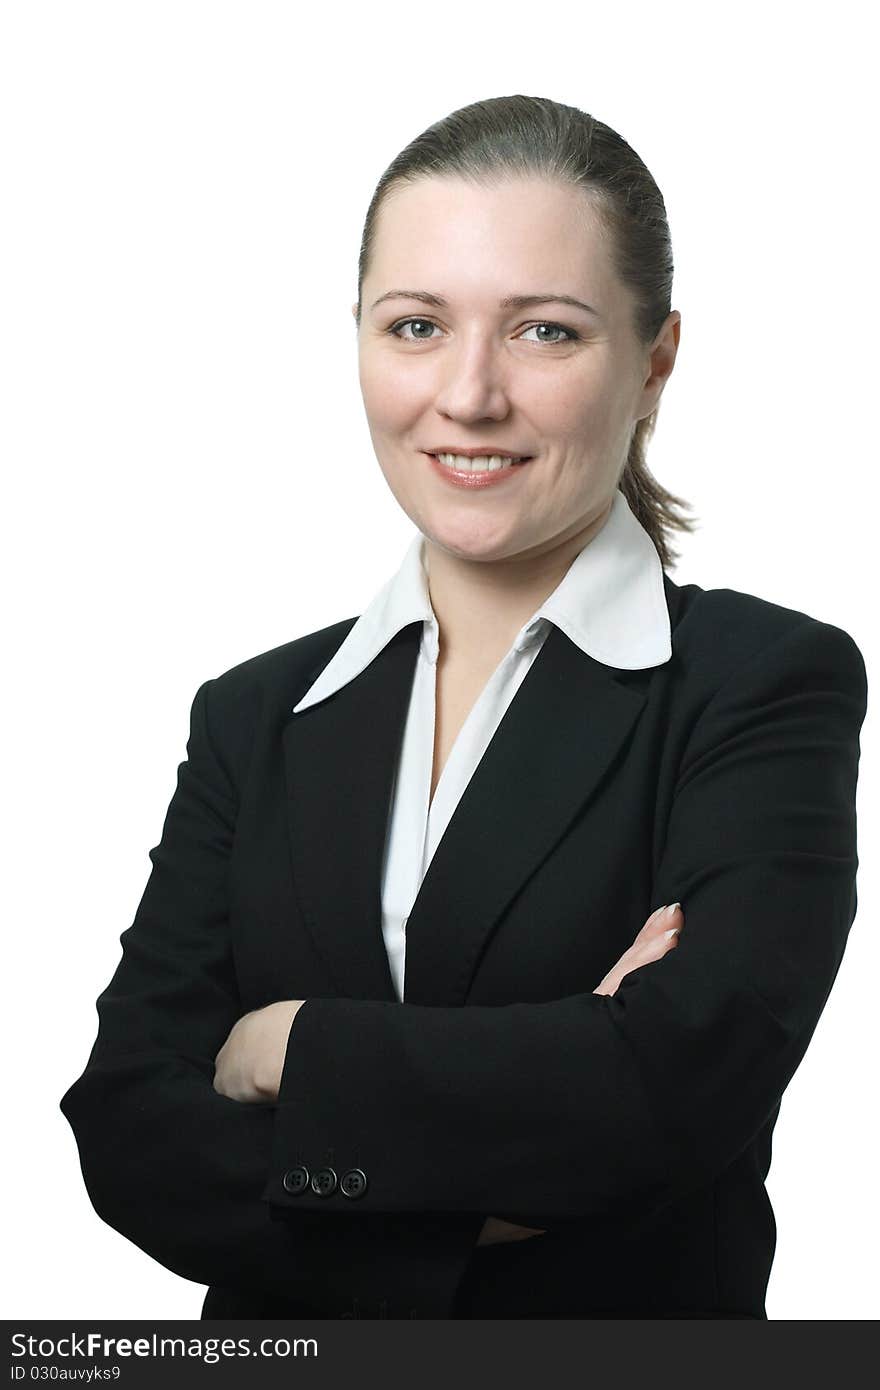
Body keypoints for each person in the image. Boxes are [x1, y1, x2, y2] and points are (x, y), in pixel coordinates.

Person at [59, 95, 867, 1321]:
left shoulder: (759, 683)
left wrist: (287, 1047)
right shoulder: (254, 714)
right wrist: (517, 1142)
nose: (469, 395)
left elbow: (676, 1087)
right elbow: (126, 1126)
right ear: (361, 341)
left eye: (545, 330)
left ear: (654, 362)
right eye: (417, 325)